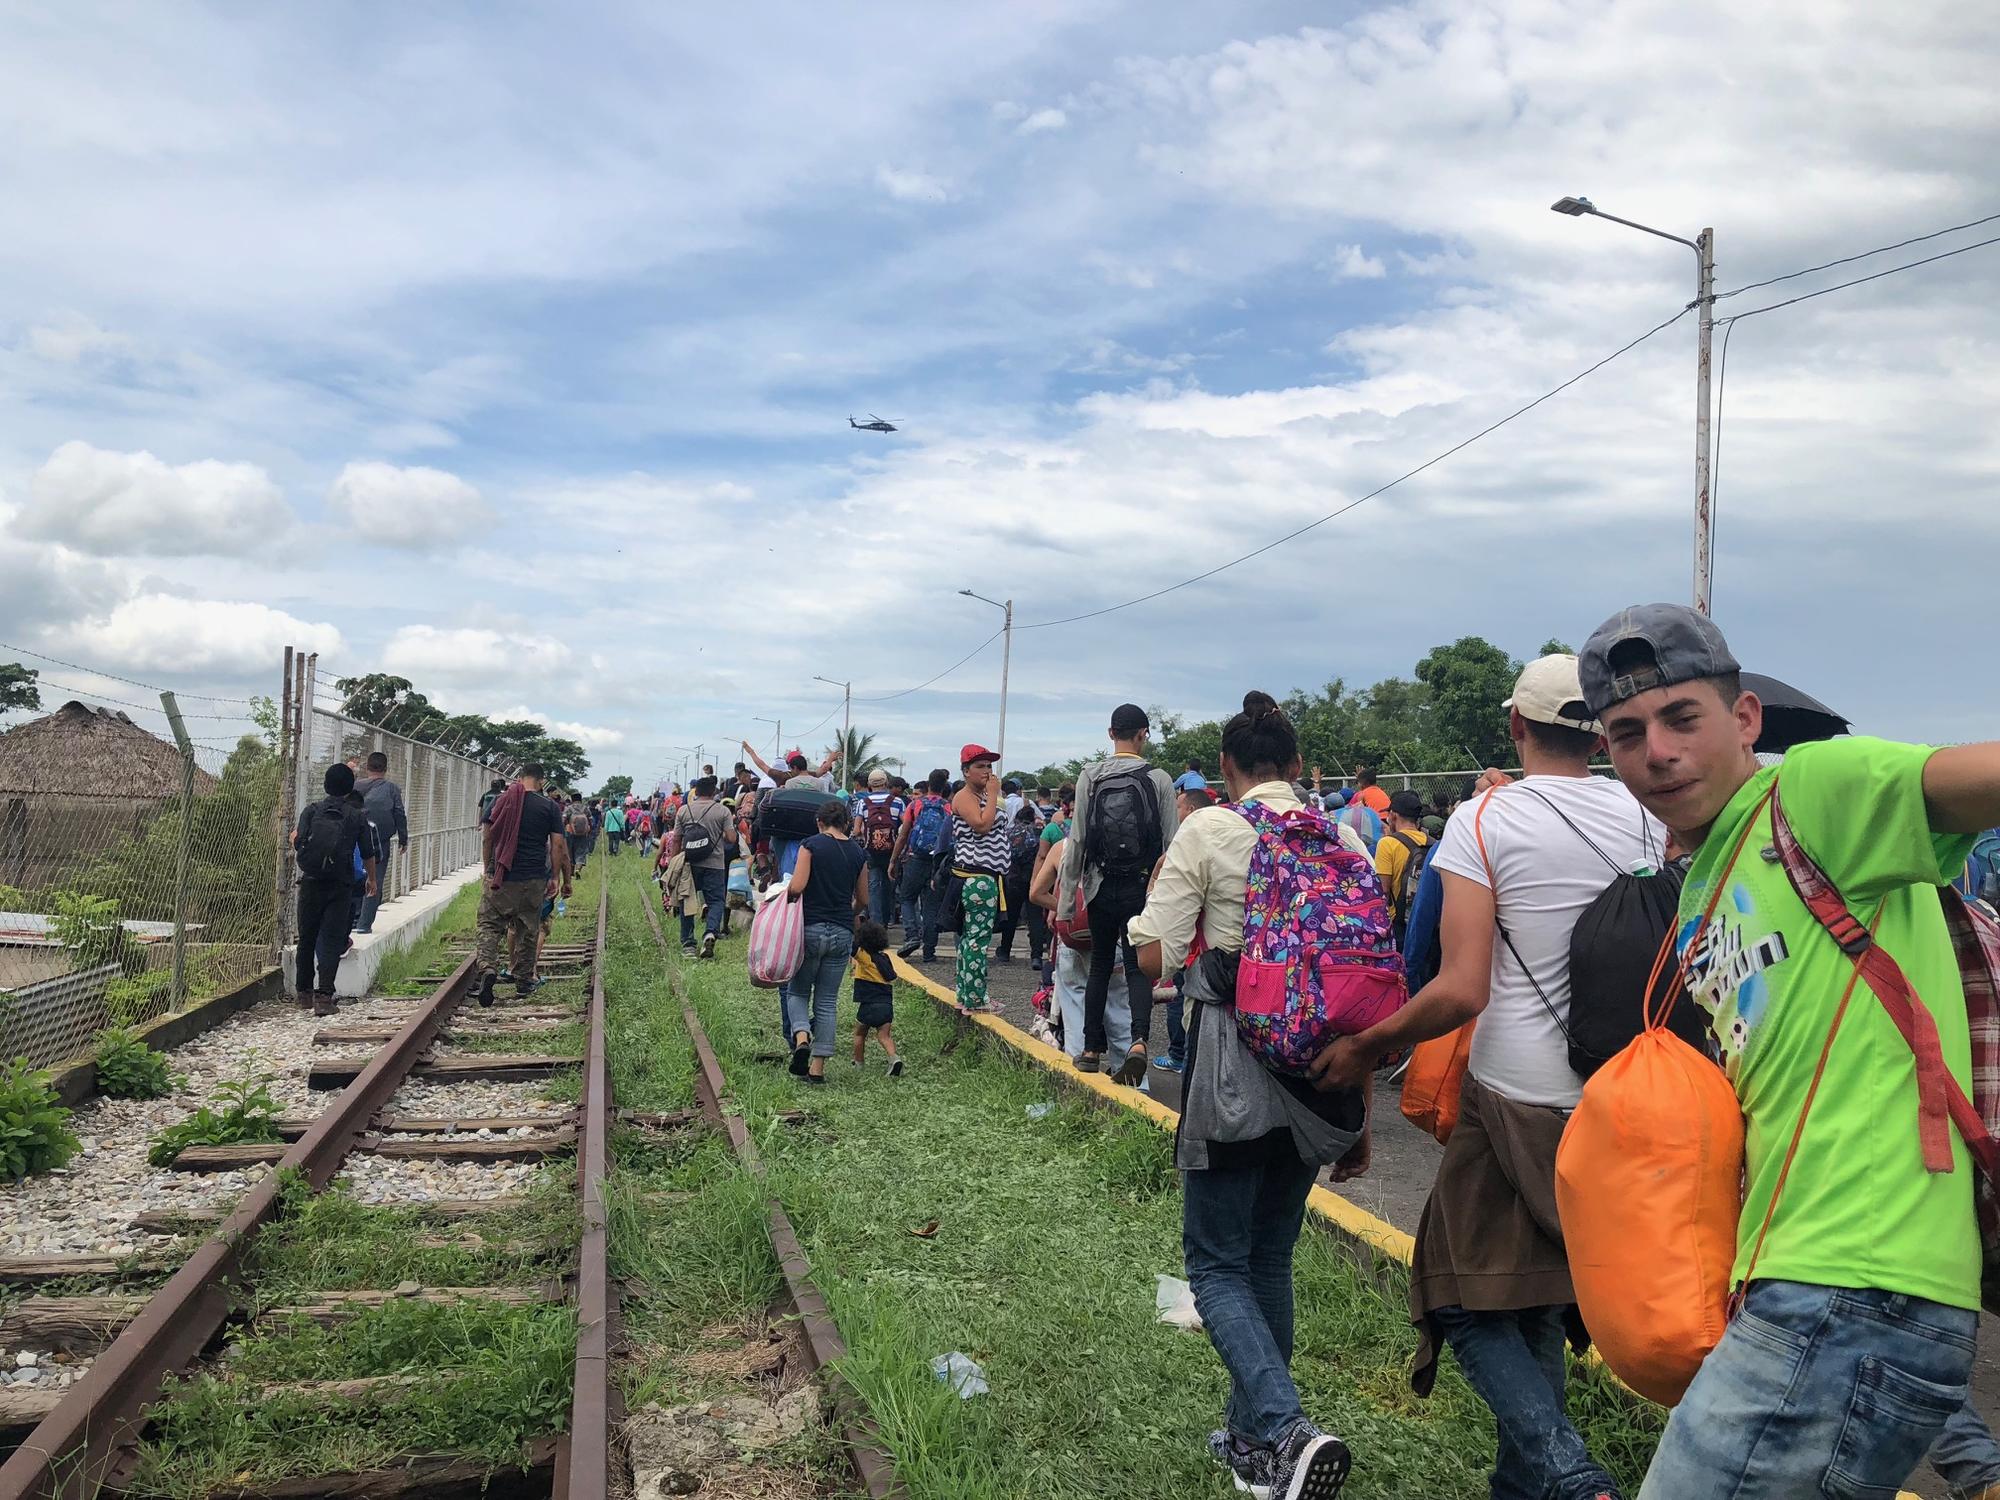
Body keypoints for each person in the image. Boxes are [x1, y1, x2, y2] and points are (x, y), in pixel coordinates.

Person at [1573, 604, 2000, 1500]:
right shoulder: (1702, 892)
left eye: (1682, 718)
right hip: (1795, 1282)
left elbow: (1976, 778)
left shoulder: (1813, 794)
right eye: (1626, 733)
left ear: (1746, 720)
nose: (1657, 750)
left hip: (1856, 1282)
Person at [1310, 654, 1656, 1500]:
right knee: (1533, 1296)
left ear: (1516, 727)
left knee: (1459, 1298)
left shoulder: (1485, 819)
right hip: (1626, 1095)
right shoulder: (1647, 813)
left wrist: (1367, 1048)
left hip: (1517, 1097)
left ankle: (1576, 1478)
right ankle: (1525, 1485)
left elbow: (1461, 985)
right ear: (1603, 728)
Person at [1129, 691, 1361, 1500]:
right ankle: (1254, 1447)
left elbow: (1154, 959)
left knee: (1217, 1267)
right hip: (1323, 1070)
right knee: (1269, 1259)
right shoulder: (1344, 834)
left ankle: (1288, 1427)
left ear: (1226, 769)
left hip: (1233, 1061)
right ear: (1298, 768)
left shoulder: (1212, 828)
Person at [1058, 703, 1179, 1079]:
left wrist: (1064, 906)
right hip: (1140, 889)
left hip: (1099, 887)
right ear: (1143, 734)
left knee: (1098, 967)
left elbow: (1076, 841)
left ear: (1111, 733)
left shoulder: (1089, 777)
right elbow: (1172, 845)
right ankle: (1138, 1040)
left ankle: (1091, 1048)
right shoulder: (1158, 778)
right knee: (1135, 968)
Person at [780, 799, 869, 1084]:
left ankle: (802, 1036)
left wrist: (784, 895)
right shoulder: (858, 853)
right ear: (845, 822)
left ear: (820, 822)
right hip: (842, 931)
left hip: (810, 928)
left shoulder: (811, 845)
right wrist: (848, 913)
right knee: (827, 1001)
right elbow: (864, 900)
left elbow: (798, 886)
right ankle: (817, 1070)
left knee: (797, 992)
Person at [1030, 830, 1132, 1065]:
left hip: (1072, 940)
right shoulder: (1124, 846)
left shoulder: (1062, 848)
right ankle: (1133, 1081)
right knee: (1118, 1009)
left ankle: (1078, 1079)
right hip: (1113, 937)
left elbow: (1036, 893)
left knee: (1075, 1009)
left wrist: (1068, 910)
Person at [475, 762, 570, 1007]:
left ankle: (487, 968)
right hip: (533, 878)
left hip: (502, 876)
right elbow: (558, 845)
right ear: (541, 781)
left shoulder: (500, 801)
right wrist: (556, 877)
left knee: (489, 924)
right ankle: (524, 981)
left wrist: (489, 868)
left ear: (520, 777)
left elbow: (487, 836)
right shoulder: (548, 806)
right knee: (528, 928)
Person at [293, 763, 379, 1015]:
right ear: (349, 787)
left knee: (306, 937)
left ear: (326, 785)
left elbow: (299, 843)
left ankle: (303, 994)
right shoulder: (356, 815)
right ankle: (324, 997)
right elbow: (367, 851)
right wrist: (371, 879)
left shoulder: (311, 810)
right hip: (340, 885)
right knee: (331, 939)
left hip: (310, 881)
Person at [948, 745, 1013, 1012]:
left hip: (985, 876)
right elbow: (982, 825)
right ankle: (975, 999)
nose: (987, 771)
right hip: (978, 877)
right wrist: (995, 793)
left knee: (971, 937)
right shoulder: (965, 797)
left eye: (989, 766)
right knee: (977, 938)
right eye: (980, 766)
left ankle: (966, 994)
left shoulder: (980, 795)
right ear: (966, 771)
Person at [890, 769, 953, 961]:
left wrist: (893, 859)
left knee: (907, 898)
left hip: (915, 858)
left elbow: (903, 834)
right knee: (931, 906)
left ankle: (911, 935)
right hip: (938, 862)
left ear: (928, 784)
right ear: (945, 787)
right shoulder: (949, 807)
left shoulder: (916, 804)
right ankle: (929, 952)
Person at [676, 775, 736, 958]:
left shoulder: (684, 811)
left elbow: (677, 839)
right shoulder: (722, 811)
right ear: (713, 792)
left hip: (689, 864)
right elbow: (732, 839)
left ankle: (688, 944)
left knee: (686, 900)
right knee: (716, 901)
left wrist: (673, 863)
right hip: (715, 864)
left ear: (697, 792)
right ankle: (710, 932)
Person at [352, 752, 408, 933]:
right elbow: (399, 812)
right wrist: (403, 837)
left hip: (354, 841)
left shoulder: (355, 786)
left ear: (367, 767)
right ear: (385, 769)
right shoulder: (392, 788)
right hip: (380, 842)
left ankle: (351, 919)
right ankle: (364, 924)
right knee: (375, 879)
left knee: (354, 875)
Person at [1373, 788, 1434, 944]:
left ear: (1393, 815)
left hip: (1400, 923)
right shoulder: (1432, 843)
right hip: (1430, 920)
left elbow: (1384, 889)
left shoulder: (1387, 843)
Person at [850, 917, 905, 1076]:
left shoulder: (864, 957)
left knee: (860, 1033)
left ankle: (859, 1063)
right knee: (884, 1035)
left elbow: (851, 946)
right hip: (886, 1005)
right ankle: (894, 1058)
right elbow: (892, 977)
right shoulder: (885, 958)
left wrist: (854, 923)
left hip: (869, 1004)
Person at [852, 769, 906, 927]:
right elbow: (906, 825)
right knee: (890, 885)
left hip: (871, 850)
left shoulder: (863, 803)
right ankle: (888, 919)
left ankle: (876, 924)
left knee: (874, 885)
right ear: (886, 783)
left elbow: (856, 830)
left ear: (869, 784)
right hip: (892, 851)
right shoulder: (897, 802)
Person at [995, 803, 1045, 966]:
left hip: (1013, 879)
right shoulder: (1039, 834)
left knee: (1011, 916)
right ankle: (1036, 955)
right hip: (1034, 878)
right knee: (1035, 917)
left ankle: (1005, 951)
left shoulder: (1009, 833)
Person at [564, 794, 593, 874]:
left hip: (569, 832)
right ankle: (578, 869)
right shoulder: (585, 808)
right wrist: (589, 830)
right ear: (580, 799)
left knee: (570, 851)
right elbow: (591, 820)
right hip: (583, 833)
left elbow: (563, 819)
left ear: (572, 800)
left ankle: (571, 872)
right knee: (581, 852)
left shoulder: (568, 808)